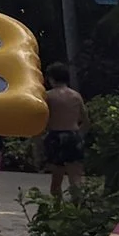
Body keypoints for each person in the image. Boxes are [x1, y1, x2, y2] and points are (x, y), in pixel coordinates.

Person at [40, 66, 88, 201]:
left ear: (51, 78)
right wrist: (79, 135)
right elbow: (85, 120)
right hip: (73, 134)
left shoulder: (48, 96)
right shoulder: (76, 96)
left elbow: (41, 120)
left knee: (56, 180)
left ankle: (58, 209)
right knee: (76, 178)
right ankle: (78, 210)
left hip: (55, 136)